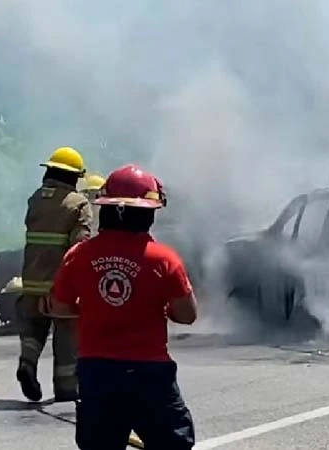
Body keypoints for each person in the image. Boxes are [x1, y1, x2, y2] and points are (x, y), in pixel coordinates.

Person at [49, 164, 198, 449]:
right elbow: (187, 315)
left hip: (98, 372)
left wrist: (94, 308)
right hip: (150, 374)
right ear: (148, 212)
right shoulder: (164, 259)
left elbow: (59, 306)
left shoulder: (79, 255)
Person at [17, 146, 93, 403]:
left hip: (30, 283)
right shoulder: (78, 204)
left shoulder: (35, 199)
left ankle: (27, 363)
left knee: (33, 332)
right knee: (66, 336)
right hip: (60, 287)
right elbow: (79, 248)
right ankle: (66, 387)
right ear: (73, 177)